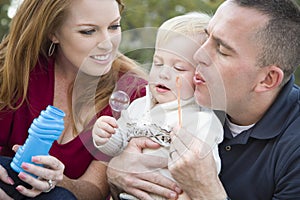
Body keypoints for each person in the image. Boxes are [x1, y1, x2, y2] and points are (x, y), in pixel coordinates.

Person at [106, 0, 300, 199]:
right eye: (207, 37)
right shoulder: (182, 100)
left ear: (267, 79)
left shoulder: (294, 149)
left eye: (222, 50)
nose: (198, 55)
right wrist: (116, 174)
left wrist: (206, 190)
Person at [0, 0, 147, 199]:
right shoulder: (14, 71)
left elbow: (95, 190)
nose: (107, 43)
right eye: (88, 31)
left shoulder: (134, 93)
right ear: (53, 31)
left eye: (114, 26)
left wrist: (57, 179)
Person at [92, 12, 223, 200]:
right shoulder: (138, 107)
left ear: (200, 75)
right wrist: (106, 137)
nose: (163, 74)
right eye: (158, 63)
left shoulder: (199, 118)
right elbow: (118, 146)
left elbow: (206, 173)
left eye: (179, 68)